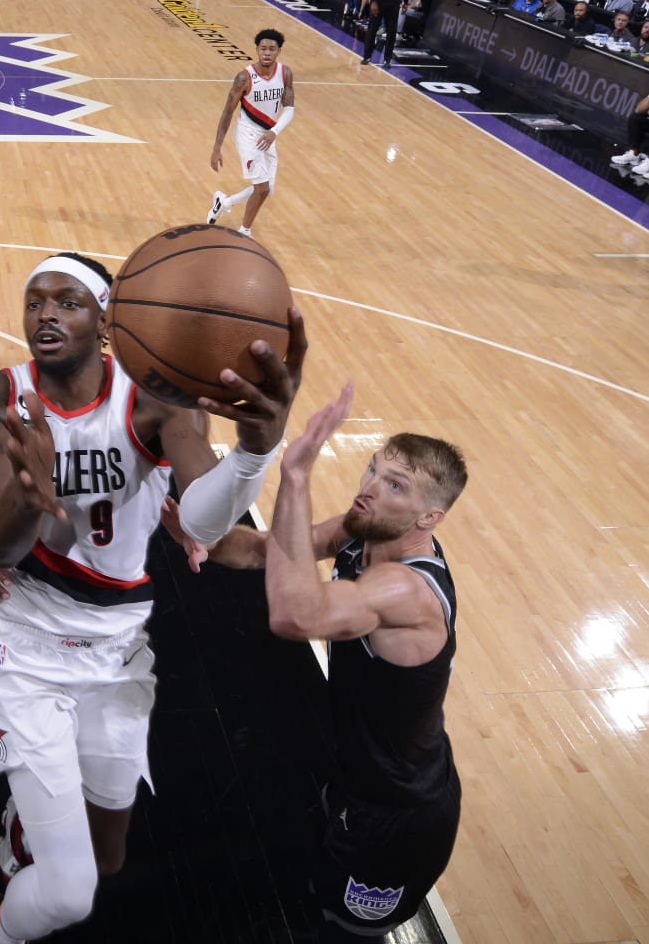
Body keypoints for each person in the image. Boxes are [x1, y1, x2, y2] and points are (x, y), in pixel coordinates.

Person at [0, 252, 304, 944]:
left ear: (108, 320)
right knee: (69, 892)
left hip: (116, 651)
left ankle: (22, 824)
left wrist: (255, 451)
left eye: (68, 300)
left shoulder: (154, 400)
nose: (46, 313)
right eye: (35, 301)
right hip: (24, 645)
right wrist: (34, 494)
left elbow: (205, 520)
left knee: (108, 855)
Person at [162, 382, 467, 943]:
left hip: (399, 816)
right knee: (313, 885)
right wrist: (202, 536)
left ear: (429, 519)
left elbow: (295, 615)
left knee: (340, 930)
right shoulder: (364, 531)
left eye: (393, 485)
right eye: (373, 469)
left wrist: (295, 477)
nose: (369, 488)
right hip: (358, 776)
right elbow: (264, 550)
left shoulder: (407, 592)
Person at [206, 28, 296, 238]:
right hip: (247, 134)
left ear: (279, 51)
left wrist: (274, 132)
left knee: (267, 190)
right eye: (263, 48)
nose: (267, 53)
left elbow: (289, 109)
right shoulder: (244, 78)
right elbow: (228, 111)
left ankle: (224, 202)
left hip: (268, 134)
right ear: (256, 50)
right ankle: (244, 232)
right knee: (262, 188)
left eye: (272, 49)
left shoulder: (285, 73)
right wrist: (217, 147)